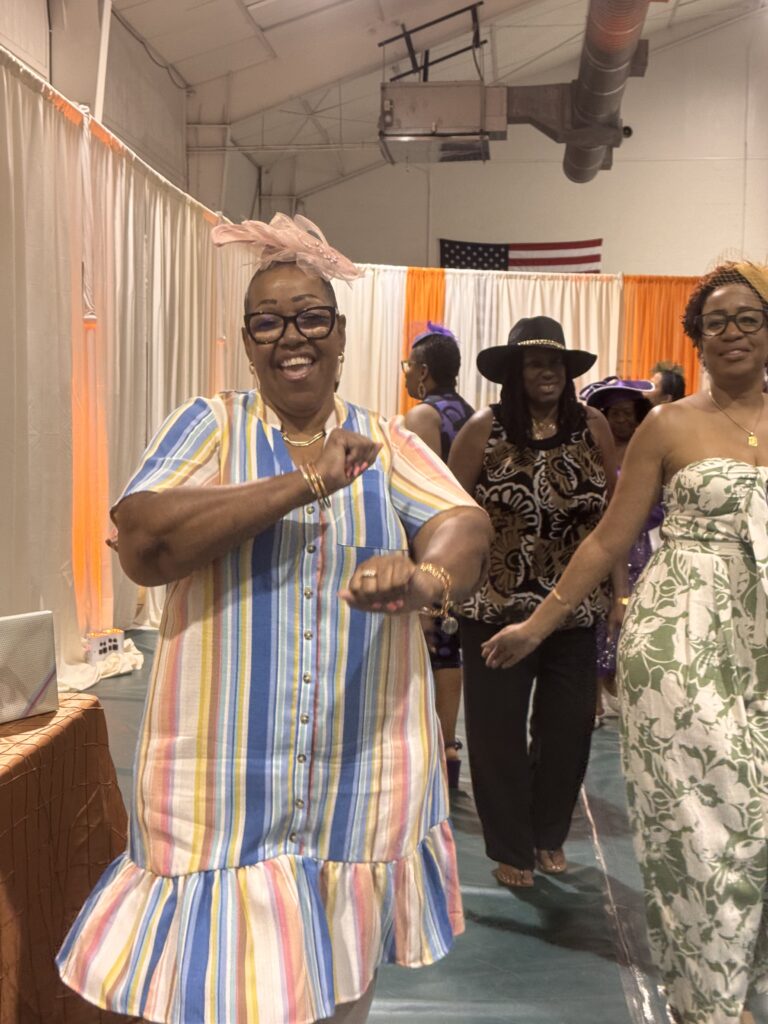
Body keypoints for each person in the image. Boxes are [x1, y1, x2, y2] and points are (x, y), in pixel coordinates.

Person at [56, 214, 491, 1024]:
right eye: (269, 320)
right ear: (249, 342)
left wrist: (426, 576)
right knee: (219, 988)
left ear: (340, 334)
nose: (292, 336)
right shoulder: (210, 427)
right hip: (220, 780)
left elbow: (463, 523)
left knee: (341, 974)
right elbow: (145, 542)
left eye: (310, 317)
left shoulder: (386, 442)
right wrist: (306, 483)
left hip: (358, 771)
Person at [478, 261, 768, 1024]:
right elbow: (610, 537)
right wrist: (537, 623)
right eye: (717, 322)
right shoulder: (669, 426)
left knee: (756, 823)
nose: (733, 332)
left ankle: (717, 979)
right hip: (683, 642)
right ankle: (711, 1001)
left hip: (760, 643)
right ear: (697, 339)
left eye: (749, 318)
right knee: (706, 820)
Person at [448, 316, 626, 888]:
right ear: (514, 373)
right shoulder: (484, 428)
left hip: (572, 611)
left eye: (554, 363)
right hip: (494, 608)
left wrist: (621, 592)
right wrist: (444, 584)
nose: (546, 372)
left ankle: (548, 833)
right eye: (533, 363)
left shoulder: (592, 427)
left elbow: (613, 520)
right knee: (496, 731)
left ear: (567, 372)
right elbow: (450, 510)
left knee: (569, 727)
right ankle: (510, 846)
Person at [402, 323, 475, 788]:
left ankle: (434, 752)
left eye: (409, 366)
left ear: (424, 372)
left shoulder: (424, 418)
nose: (406, 374)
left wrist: (415, 567)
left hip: (435, 550)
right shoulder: (472, 414)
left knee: (431, 652)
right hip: (468, 550)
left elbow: (421, 496)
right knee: (452, 653)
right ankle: (448, 746)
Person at [579, 377, 656, 722]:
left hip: (639, 549)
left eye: (630, 414)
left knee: (631, 622)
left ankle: (624, 691)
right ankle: (593, 702)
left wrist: (635, 515)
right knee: (598, 622)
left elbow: (660, 501)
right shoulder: (596, 449)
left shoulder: (648, 448)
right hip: (599, 545)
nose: (625, 421)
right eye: (618, 414)